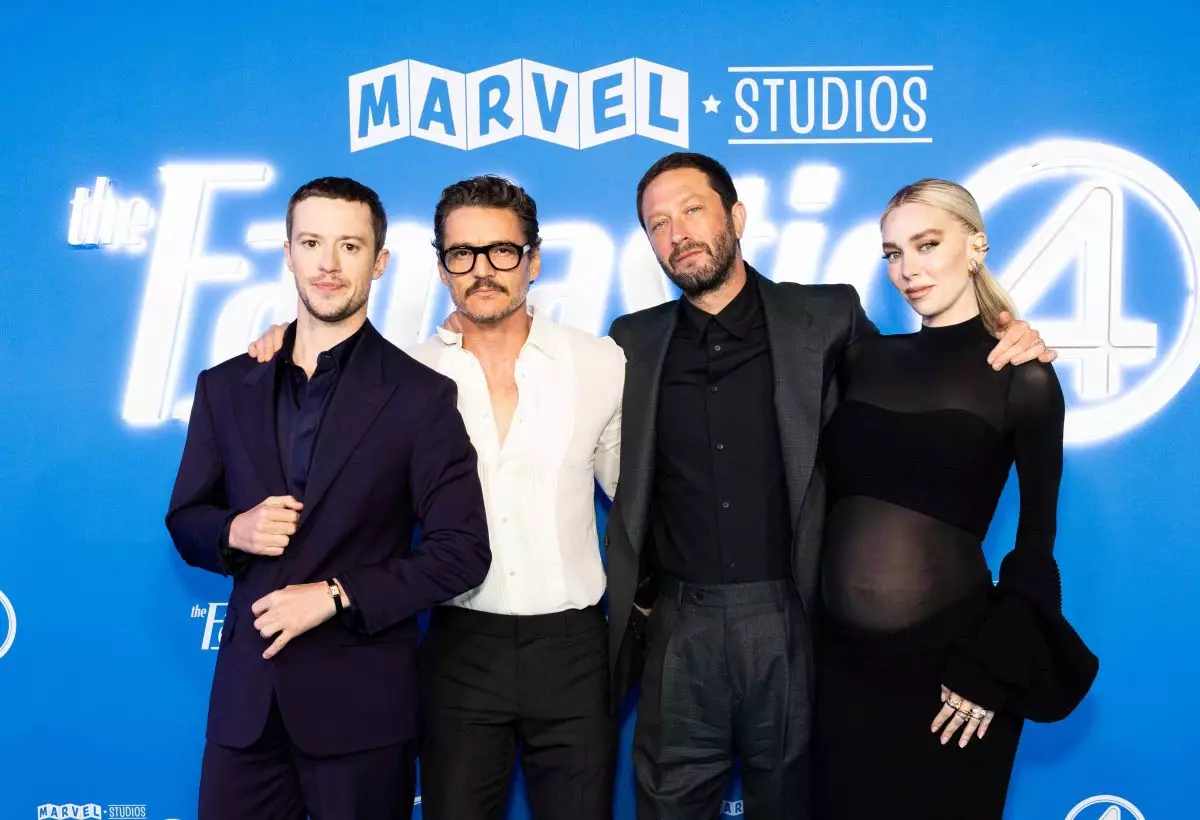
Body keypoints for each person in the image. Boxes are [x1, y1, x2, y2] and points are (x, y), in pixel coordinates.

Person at [604, 152, 1056, 819]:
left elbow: (938, 383)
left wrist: (1017, 335)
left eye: (693, 210)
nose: (678, 233)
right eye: (658, 223)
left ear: (736, 216)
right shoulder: (631, 342)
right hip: (686, 627)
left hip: (794, 622)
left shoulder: (831, 322)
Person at [248, 176, 624, 820]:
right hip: (456, 648)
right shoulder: (401, 378)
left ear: (533, 260)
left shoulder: (601, 363)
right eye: (462, 253)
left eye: (501, 251)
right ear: (443, 266)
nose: (482, 269)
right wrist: (286, 339)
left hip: (576, 652)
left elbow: (635, 495)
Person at [167, 176, 491, 820]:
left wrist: (337, 594)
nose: (329, 263)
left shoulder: (420, 396)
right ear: (288, 253)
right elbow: (186, 519)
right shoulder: (225, 386)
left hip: (361, 712)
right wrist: (234, 531)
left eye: (350, 245)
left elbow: (462, 552)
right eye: (312, 242)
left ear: (380, 261)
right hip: (247, 709)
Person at [813, 178, 1098, 819]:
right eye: (893, 253)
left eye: (927, 244)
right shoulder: (861, 360)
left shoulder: (1022, 373)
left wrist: (988, 670)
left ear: (976, 246)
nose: (908, 269)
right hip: (842, 670)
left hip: (953, 678)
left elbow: (1036, 542)